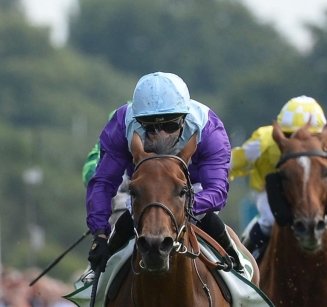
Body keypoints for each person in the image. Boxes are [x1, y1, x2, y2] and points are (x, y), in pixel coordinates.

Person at [86, 72, 237, 273]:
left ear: (184, 118)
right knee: (119, 230)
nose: (160, 134)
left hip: (191, 191)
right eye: (150, 127)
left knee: (208, 219)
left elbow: (217, 191)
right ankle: (93, 285)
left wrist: (180, 203)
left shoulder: (209, 129)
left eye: (170, 125)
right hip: (146, 193)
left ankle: (240, 273)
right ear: (139, 120)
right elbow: (103, 183)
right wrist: (100, 234)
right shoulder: (122, 123)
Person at [231, 96, 327, 259]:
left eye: (311, 136)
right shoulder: (263, 141)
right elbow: (229, 164)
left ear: (322, 135)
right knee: (270, 220)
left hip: (315, 191)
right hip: (270, 189)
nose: (301, 142)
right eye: (290, 135)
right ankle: (242, 259)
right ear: (279, 132)